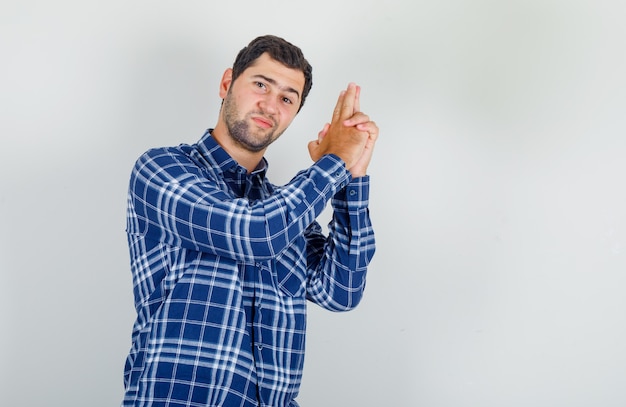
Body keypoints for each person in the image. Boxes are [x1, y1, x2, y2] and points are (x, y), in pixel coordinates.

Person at [122, 35, 379, 407]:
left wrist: (349, 179)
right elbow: (255, 233)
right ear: (227, 83)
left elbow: (341, 292)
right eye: (261, 84)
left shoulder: (288, 208)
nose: (271, 105)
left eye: (287, 98)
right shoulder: (162, 169)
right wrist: (333, 162)